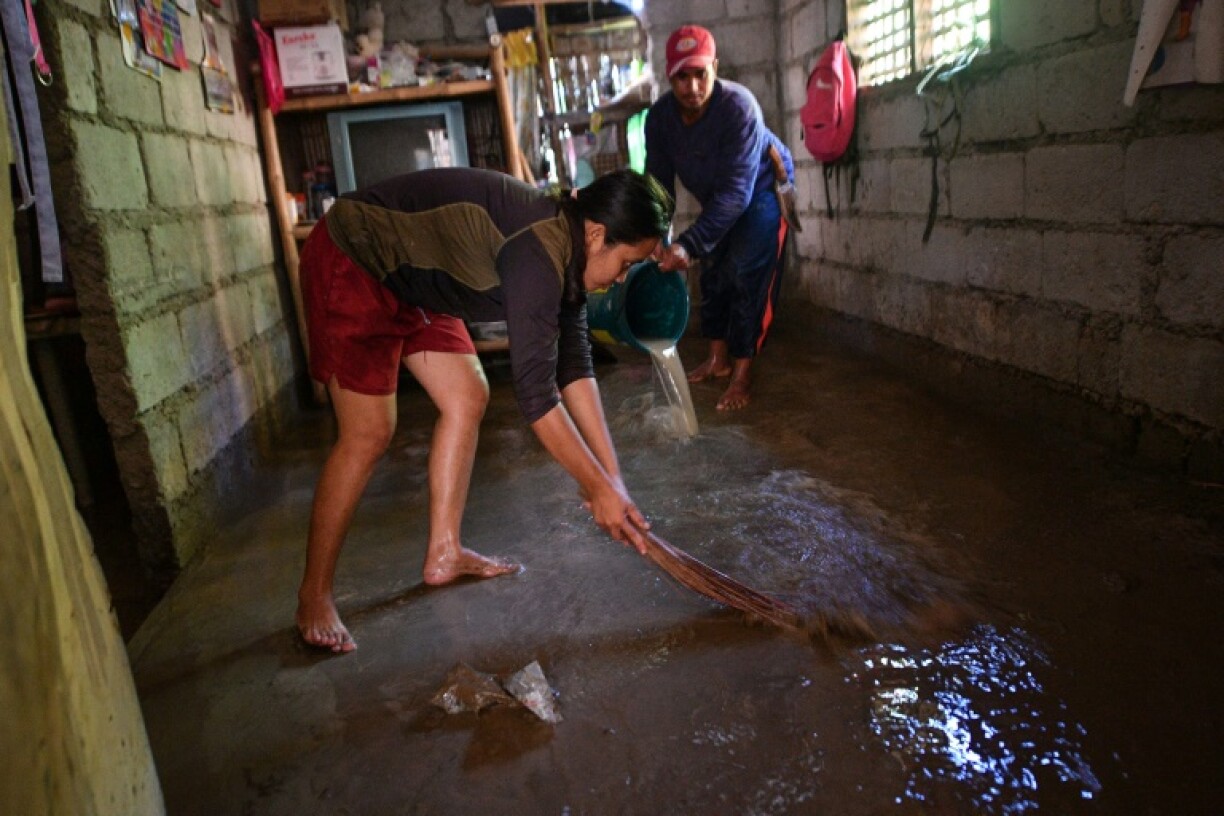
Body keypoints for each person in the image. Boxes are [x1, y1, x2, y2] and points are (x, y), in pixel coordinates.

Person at [296, 167, 674, 652]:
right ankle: (314, 594)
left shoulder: (571, 252)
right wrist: (596, 488)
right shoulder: (539, 253)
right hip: (356, 256)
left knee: (467, 394)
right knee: (369, 433)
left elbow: (575, 367)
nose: (622, 278)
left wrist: (612, 481)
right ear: (598, 234)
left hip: (413, 280)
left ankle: (444, 553)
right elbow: (537, 396)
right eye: (625, 264)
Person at [645, 24, 795, 411]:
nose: (692, 86)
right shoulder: (660, 119)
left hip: (759, 187)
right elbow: (658, 185)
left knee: (746, 272)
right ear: (669, 76)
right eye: (682, 76)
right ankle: (718, 359)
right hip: (721, 194)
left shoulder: (738, 107)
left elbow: (736, 195)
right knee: (712, 271)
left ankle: (743, 375)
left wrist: (688, 243)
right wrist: (655, 236)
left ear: (715, 67)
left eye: (700, 74)